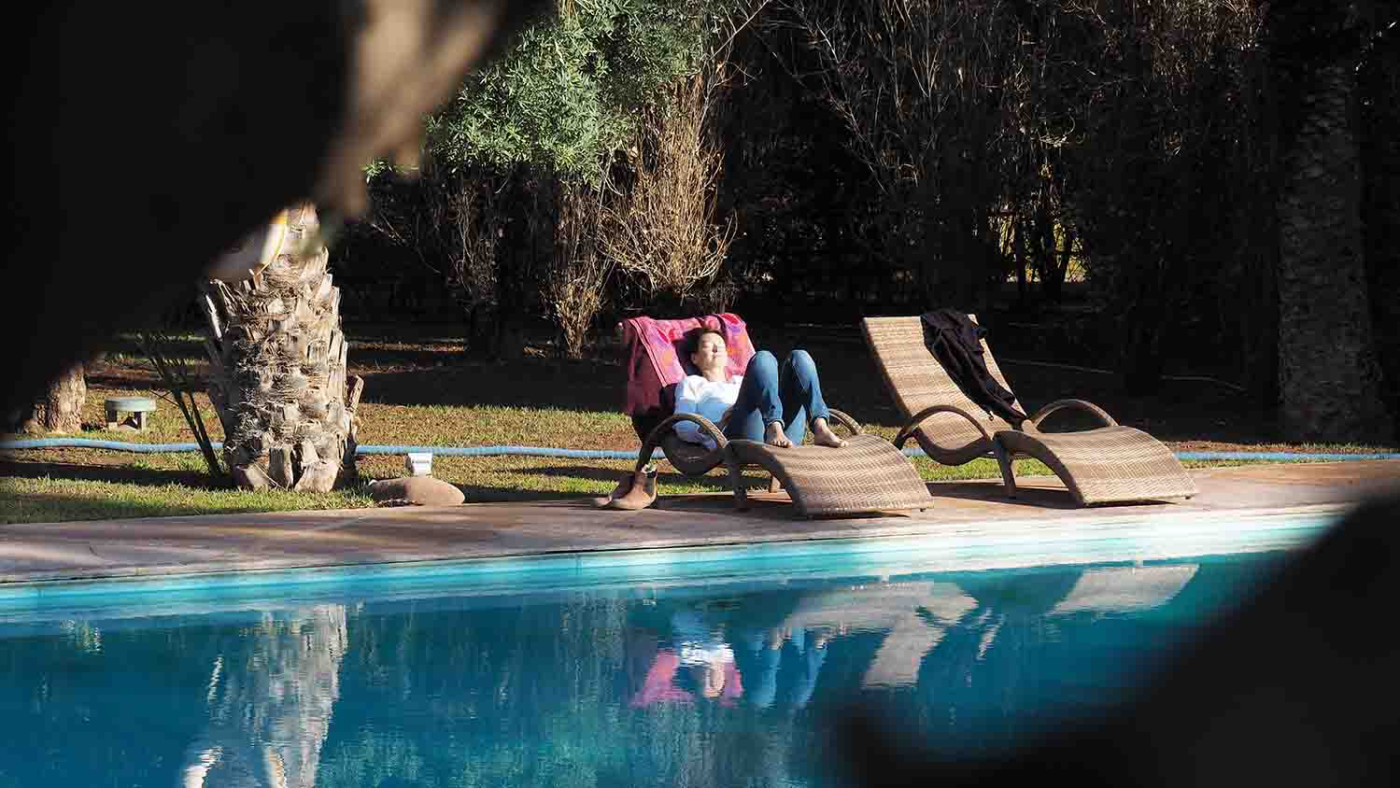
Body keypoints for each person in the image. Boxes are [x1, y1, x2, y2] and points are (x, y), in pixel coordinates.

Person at [672, 328, 848, 450]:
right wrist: (718, 424)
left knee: (800, 357)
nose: (717, 348)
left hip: (784, 435)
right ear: (694, 358)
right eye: (708, 345)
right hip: (739, 438)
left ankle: (820, 426)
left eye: (720, 344)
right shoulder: (691, 383)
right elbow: (682, 426)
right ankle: (773, 427)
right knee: (763, 358)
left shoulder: (742, 380)